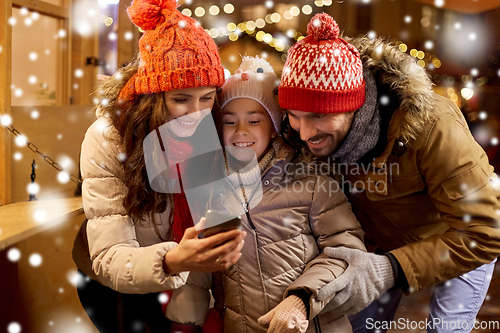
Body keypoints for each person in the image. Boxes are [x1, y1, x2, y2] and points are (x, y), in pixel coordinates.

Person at [278, 13, 500, 333]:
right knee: (357, 328)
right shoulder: (301, 134)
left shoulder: (431, 124)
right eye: (294, 115)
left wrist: (391, 268)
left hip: (458, 240)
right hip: (379, 245)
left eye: (318, 115)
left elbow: (485, 232)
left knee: (446, 328)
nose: (304, 133)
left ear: (356, 105)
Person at [71, 0, 246, 332]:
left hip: (186, 278)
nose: (196, 113)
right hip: (115, 287)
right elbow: (110, 256)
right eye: (181, 99)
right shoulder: (109, 138)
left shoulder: (214, 126)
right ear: (152, 95)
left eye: (207, 97)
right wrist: (173, 260)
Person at [206, 56, 366, 333]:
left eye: (254, 120)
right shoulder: (212, 188)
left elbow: (347, 252)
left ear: (274, 127)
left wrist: (301, 299)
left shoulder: (311, 181)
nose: (241, 131)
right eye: (230, 122)